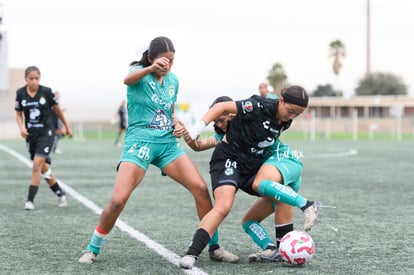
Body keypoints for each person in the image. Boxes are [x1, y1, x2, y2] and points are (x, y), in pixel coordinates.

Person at [78, 36, 238, 264]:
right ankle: (92, 248)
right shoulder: (138, 71)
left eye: (172, 60)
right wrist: (151, 68)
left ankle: (214, 247)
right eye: (164, 61)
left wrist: (176, 122)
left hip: (167, 144)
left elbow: (168, 110)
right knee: (118, 199)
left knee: (201, 188)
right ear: (151, 58)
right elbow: (127, 80)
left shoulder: (173, 80)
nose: (168, 65)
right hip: (140, 142)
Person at [179, 85, 321, 269]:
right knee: (223, 206)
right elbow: (200, 143)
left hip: (254, 165)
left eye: (222, 120)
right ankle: (193, 253)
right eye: (291, 111)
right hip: (229, 161)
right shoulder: (249, 112)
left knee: (278, 197)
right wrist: (191, 131)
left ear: (234, 116)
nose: (220, 124)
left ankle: (276, 248)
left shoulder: (281, 117)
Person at [15, 66, 73, 210]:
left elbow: (58, 110)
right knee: (43, 167)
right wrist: (22, 128)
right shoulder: (20, 93)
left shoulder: (46, 92)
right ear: (25, 79)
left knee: (37, 163)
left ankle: (30, 200)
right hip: (31, 136)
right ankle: (60, 193)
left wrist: (67, 126)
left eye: (37, 78)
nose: (34, 81)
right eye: (31, 78)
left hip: (46, 133)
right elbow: (18, 114)